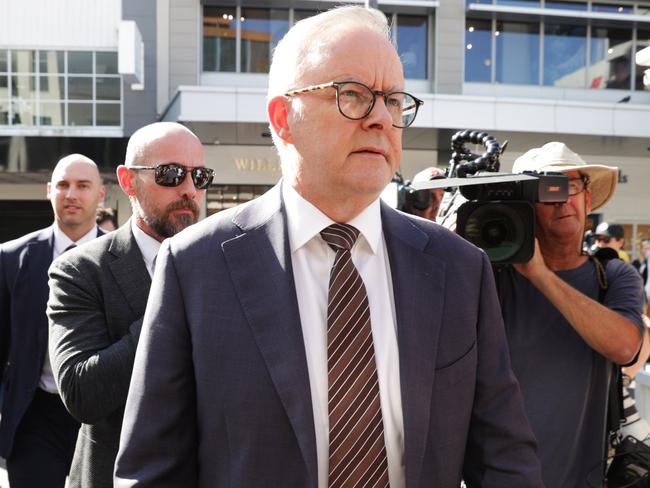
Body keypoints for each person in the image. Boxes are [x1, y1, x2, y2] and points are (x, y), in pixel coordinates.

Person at [114, 7, 543, 488]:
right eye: (353, 95)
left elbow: (505, 461)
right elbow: (152, 471)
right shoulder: (196, 267)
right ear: (283, 119)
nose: (381, 118)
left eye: (395, 101)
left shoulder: (459, 267)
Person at [46, 122, 209, 488]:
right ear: (127, 181)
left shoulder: (222, 261)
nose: (189, 190)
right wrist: (169, 308)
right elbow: (81, 391)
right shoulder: (80, 269)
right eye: (170, 174)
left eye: (199, 176)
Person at [495, 141, 645, 487]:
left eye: (571, 187)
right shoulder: (494, 278)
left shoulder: (615, 276)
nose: (561, 199)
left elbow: (624, 346)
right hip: (499, 477)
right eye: (547, 190)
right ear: (526, 208)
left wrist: (540, 275)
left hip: (584, 477)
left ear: (588, 200)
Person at [0, 154, 105, 488]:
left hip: (101, 420)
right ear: (49, 191)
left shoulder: (124, 257)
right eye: (63, 185)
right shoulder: (12, 258)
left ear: (100, 194)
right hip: (34, 416)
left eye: (82, 186)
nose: (71, 194)